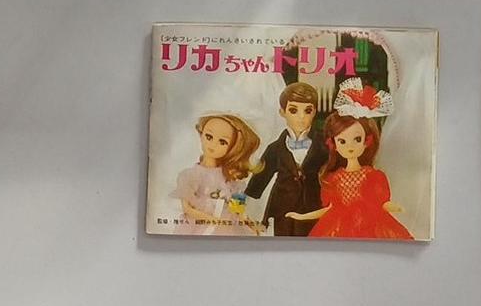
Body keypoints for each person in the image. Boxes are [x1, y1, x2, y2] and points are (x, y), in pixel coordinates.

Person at [284, 78, 413, 240]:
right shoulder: (334, 178)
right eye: (342, 141)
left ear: (367, 141)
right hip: (340, 224)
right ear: (334, 145)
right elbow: (329, 208)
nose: (350, 146)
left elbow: (381, 202)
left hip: (368, 223)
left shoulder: (373, 175)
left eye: (357, 139)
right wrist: (302, 216)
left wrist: (393, 206)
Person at [244, 81, 326, 237]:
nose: (301, 117)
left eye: (308, 111)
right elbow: (259, 180)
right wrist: (246, 205)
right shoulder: (275, 148)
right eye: (293, 110)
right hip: (282, 207)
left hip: (314, 206)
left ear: (315, 112)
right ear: (282, 112)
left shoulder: (323, 145)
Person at [172, 113, 264, 235]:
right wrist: (213, 220)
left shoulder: (231, 177)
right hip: (198, 228)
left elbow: (238, 209)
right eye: (209, 137)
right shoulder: (190, 175)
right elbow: (187, 209)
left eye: (222, 142)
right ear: (201, 135)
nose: (213, 144)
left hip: (227, 229)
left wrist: (248, 222)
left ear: (232, 147)